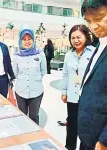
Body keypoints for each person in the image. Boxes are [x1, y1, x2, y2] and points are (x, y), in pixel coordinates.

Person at [61, 25, 95, 150]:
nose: (75, 40)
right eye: (73, 38)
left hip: (87, 96)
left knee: (86, 126)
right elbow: (65, 74)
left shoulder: (93, 53)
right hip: (72, 95)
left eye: (79, 37)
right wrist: (64, 92)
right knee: (71, 124)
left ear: (86, 36)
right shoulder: (68, 55)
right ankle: (69, 147)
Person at [78, 0, 107, 150]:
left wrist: (104, 141)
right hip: (89, 134)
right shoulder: (100, 43)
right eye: (89, 21)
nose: (93, 26)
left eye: (99, 18)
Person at [12, 27, 47, 125]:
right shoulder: (16, 56)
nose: (27, 42)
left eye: (29, 39)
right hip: (20, 91)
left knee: (34, 116)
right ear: (20, 40)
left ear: (33, 39)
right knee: (22, 116)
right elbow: (15, 73)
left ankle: (36, 137)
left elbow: (43, 71)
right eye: (24, 39)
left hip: (36, 91)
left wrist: (34, 79)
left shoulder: (40, 54)